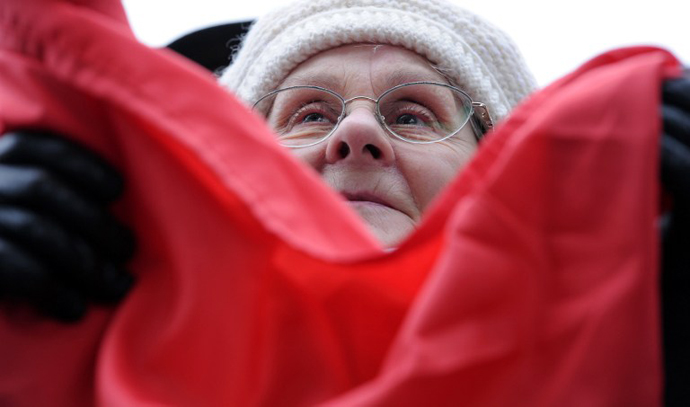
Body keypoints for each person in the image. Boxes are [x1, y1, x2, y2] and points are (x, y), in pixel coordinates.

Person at [0, 0, 689, 403]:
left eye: (414, 114)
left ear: (495, 171)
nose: (356, 134)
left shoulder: (648, 348)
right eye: (307, 114)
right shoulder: (71, 326)